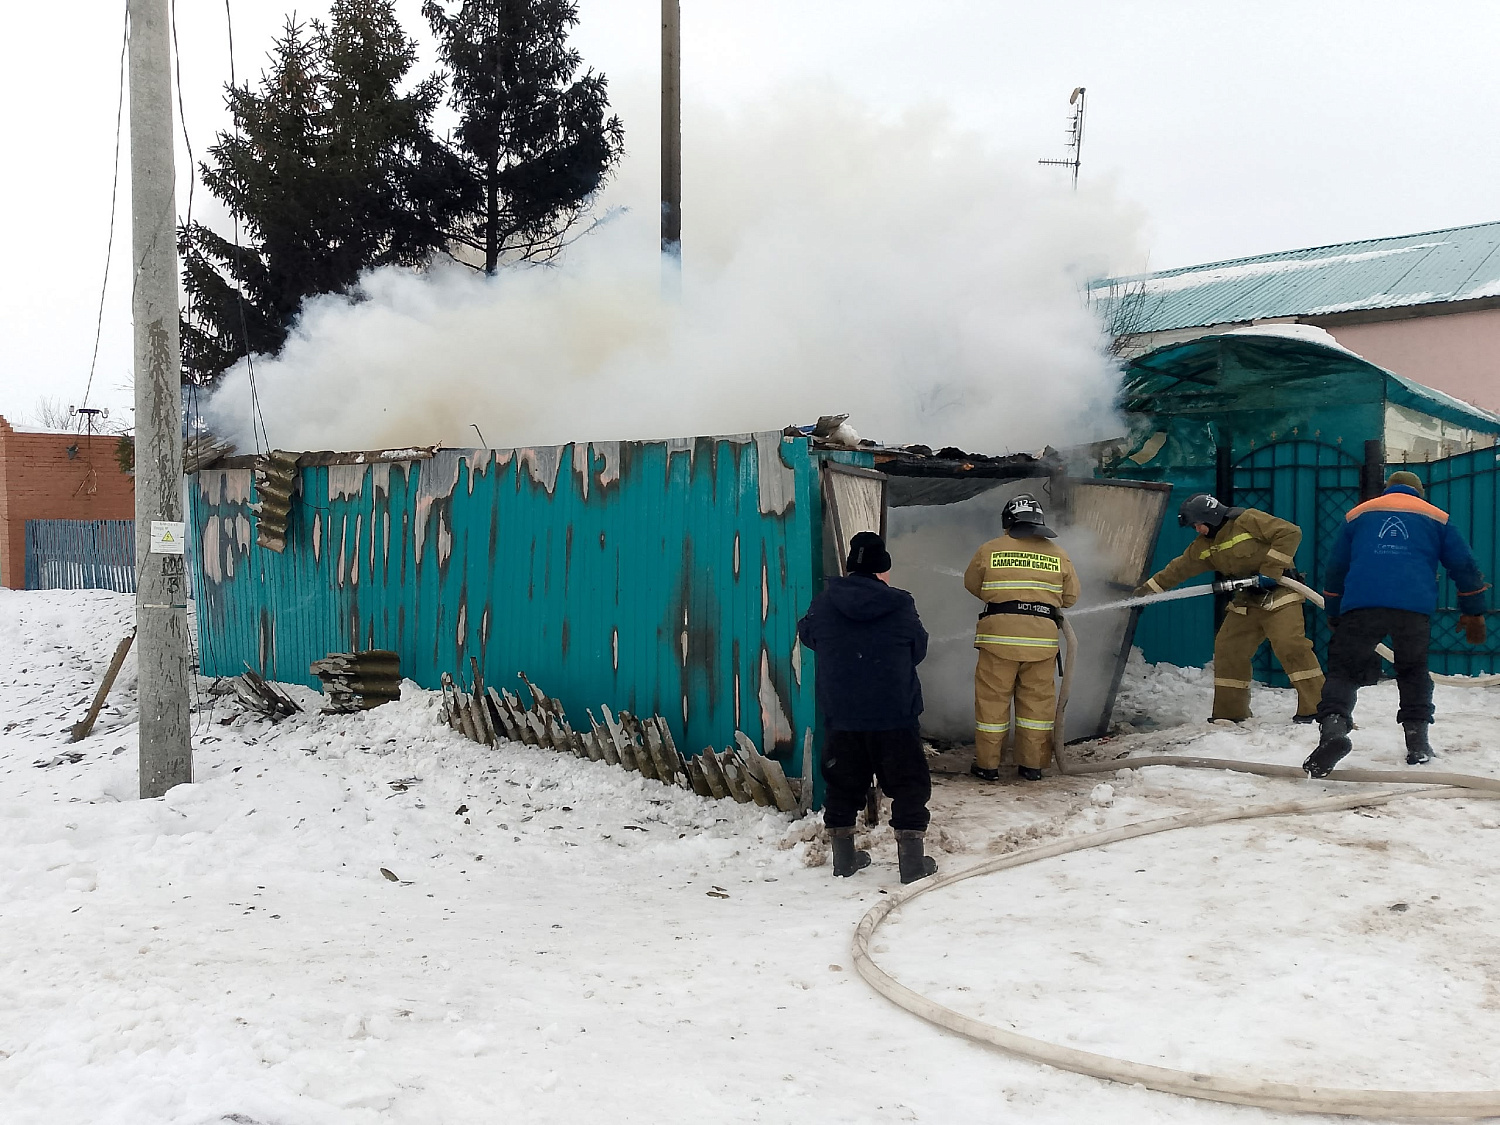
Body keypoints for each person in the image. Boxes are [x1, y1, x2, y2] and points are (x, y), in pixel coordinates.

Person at [1304, 471, 1489, 777]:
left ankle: (1334, 730)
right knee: (1413, 670)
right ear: (1419, 492)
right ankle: (1417, 744)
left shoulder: (1358, 515)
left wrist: (1334, 609)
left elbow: (1336, 566)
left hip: (1362, 605)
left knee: (1344, 671)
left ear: (1387, 489)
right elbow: (1464, 566)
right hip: (1413, 609)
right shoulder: (1436, 517)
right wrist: (1474, 609)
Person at [796, 531, 937, 884]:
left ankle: (844, 859)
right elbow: (917, 649)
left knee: (842, 783)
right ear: (882, 569)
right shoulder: (900, 603)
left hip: (842, 713)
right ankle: (912, 864)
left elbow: (808, 635)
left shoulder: (824, 603)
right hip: (894, 713)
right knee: (908, 784)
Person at [1134, 493, 1324, 723]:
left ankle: (1316, 708)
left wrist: (1271, 570)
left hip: (1281, 594)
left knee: (1290, 645)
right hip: (1247, 600)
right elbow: (1178, 569)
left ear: (1211, 517)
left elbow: (1290, 532)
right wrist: (1144, 594)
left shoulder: (1247, 520)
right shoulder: (1205, 546)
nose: (1197, 530)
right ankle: (1230, 714)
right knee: (1228, 649)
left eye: (1198, 524)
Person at [963, 493, 1080, 782]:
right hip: (1042, 643)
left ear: (1008, 521)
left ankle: (988, 766)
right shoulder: (1059, 554)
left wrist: (1004, 600)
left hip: (998, 641)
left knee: (992, 703)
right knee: (1036, 708)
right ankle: (1033, 766)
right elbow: (1070, 598)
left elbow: (972, 584)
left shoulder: (989, 550)